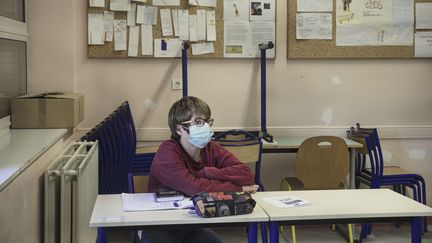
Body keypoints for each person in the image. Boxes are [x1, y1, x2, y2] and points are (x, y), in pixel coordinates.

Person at [145, 96, 258, 243]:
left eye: (207, 121)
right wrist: (239, 188)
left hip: (194, 223)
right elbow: (194, 187)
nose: (205, 127)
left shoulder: (211, 148)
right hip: (161, 224)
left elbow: (246, 174)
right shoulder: (168, 151)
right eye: (198, 122)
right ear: (179, 129)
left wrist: (208, 172)